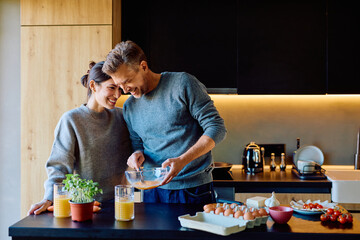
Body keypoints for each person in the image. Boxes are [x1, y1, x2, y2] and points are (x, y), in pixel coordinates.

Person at [102, 40, 227, 204]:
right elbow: (137, 143)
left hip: (192, 189)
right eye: (119, 85)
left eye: (127, 81)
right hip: (152, 191)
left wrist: (182, 160)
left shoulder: (182, 84)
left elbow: (217, 128)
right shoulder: (129, 106)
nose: (124, 90)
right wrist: (137, 154)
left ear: (144, 67)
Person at [28, 61, 132, 215]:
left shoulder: (122, 116)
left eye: (119, 89)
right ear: (93, 86)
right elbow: (59, 166)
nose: (117, 95)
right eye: (111, 87)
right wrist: (49, 198)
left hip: (120, 203)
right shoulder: (71, 120)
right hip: (84, 205)